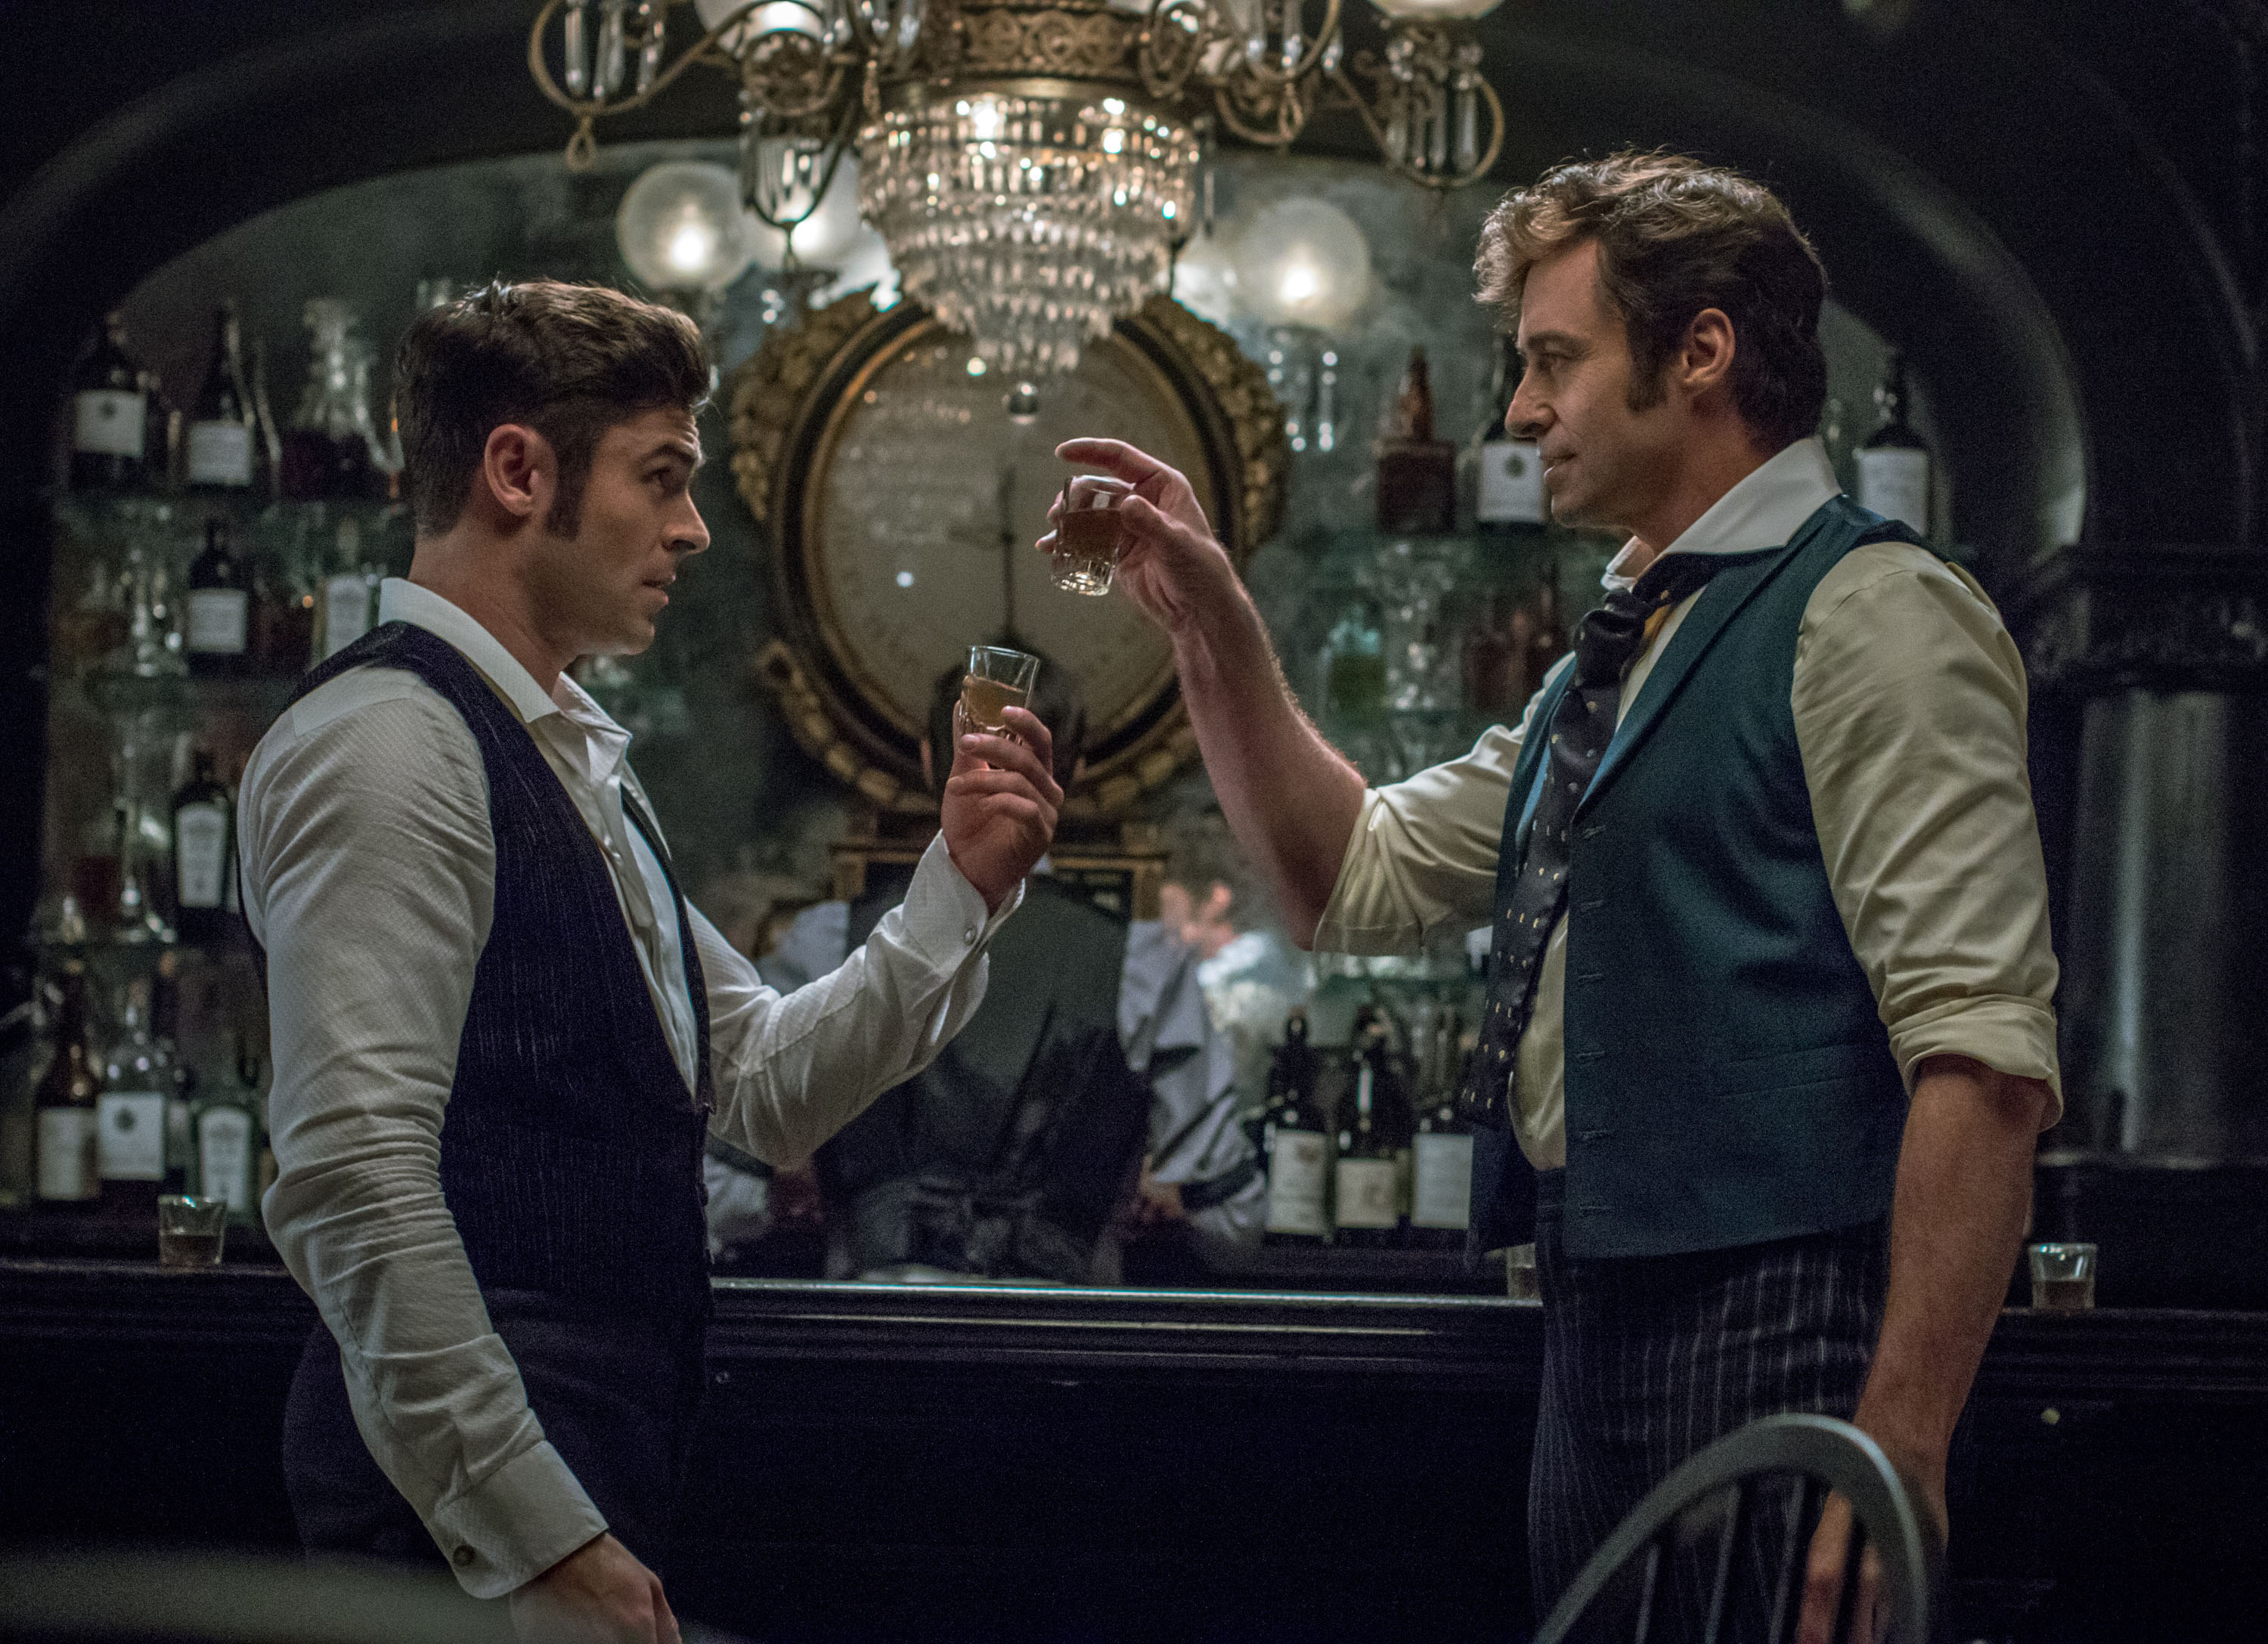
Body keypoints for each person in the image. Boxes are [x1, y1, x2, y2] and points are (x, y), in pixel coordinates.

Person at [1048, 153, 2059, 1639]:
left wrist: (1899, 1441)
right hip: (1599, 1310)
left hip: (1782, 1316)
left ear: (1700, 352)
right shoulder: (1633, 646)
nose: (1520, 411)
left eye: (1553, 360)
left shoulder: (1876, 610)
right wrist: (1208, 621)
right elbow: (1350, 877)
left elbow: (1983, 1057)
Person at [238, 279, 1061, 1643]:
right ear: (518, 471)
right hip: (461, 1502)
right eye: (662, 476)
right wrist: (543, 1537)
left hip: (583, 1446)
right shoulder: (390, 743)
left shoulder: (566, 757)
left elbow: (764, 1087)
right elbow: (354, 1182)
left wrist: (959, 887)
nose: (691, 527)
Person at [709, 656, 1263, 1283]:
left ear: (927, 760)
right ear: (1076, 773)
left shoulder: (825, 937)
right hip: (1064, 1334)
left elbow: (720, 1191)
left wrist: (806, 1191)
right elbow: (1232, 1220)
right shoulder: (1145, 962)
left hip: (871, 1327)